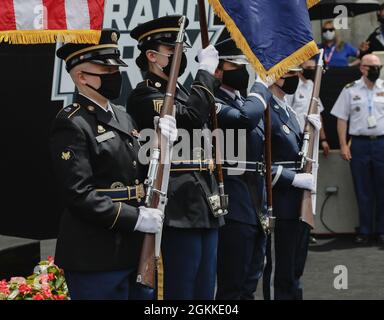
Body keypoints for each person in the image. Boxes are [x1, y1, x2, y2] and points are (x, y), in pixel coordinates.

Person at [52, 29, 177, 300]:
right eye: (105, 71)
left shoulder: (123, 117)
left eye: (115, 69)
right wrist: (136, 218)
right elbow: (79, 194)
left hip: (133, 251)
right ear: (81, 77)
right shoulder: (72, 122)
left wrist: (162, 142)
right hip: (96, 253)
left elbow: (138, 170)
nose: (115, 76)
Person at [126, 15, 224, 300]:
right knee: (181, 288)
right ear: (152, 56)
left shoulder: (180, 92)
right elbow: (192, 117)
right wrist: (205, 73)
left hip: (204, 199)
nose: (181, 59)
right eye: (174, 53)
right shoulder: (145, 95)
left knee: (205, 289)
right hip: (178, 205)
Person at [213, 38, 271, 300]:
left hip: (255, 202)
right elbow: (244, 121)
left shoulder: (243, 101)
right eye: (234, 65)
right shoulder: (212, 101)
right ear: (217, 70)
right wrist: (262, 85)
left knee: (250, 282)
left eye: (243, 65)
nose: (242, 71)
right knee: (232, 286)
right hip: (233, 204)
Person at [260, 68, 321, 300]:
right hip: (279, 201)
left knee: (294, 269)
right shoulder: (265, 109)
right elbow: (259, 162)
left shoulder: (287, 109)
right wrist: (292, 178)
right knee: (279, 269)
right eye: (290, 73)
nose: (295, 77)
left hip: (297, 203)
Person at [331, 54, 384, 245]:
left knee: (382, 188)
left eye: (379, 66)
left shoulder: (383, 87)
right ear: (362, 68)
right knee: (363, 190)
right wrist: (344, 145)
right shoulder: (350, 90)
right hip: (360, 144)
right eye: (373, 66)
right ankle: (364, 230)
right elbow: (341, 119)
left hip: (381, 144)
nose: (377, 70)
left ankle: (381, 230)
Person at [286, 59, 330, 157]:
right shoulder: (292, 85)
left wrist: (323, 140)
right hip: (296, 136)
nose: (312, 70)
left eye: (314, 68)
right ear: (300, 69)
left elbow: (318, 113)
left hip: (312, 136)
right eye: (309, 68)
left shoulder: (313, 85)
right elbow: (286, 112)